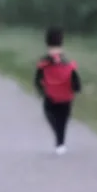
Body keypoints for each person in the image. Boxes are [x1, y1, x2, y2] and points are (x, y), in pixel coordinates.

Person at [34, 27, 82, 155]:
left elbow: (38, 78)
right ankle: (60, 142)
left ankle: (59, 139)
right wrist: (77, 88)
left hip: (50, 97)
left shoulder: (43, 63)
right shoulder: (67, 63)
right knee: (63, 120)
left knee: (51, 115)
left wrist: (40, 90)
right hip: (66, 97)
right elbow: (75, 77)